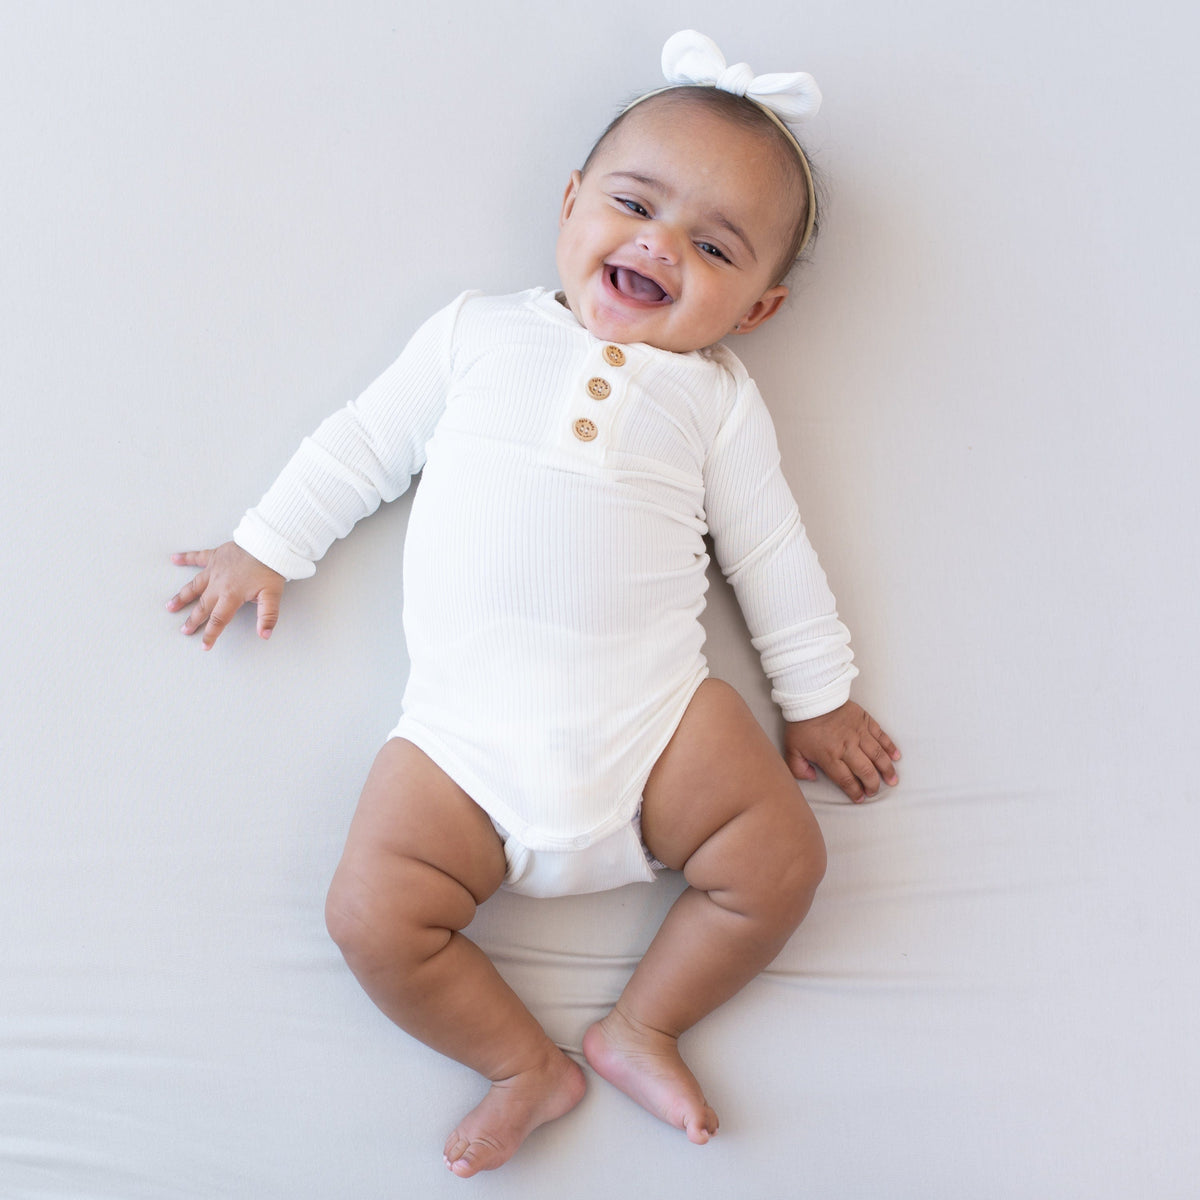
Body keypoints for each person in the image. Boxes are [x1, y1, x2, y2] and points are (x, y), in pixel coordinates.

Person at [166, 30, 900, 1178]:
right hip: (463, 741)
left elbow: (773, 555)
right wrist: (268, 546)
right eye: (634, 205)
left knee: (784, 863)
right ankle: (523, 1065)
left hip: (659, 726)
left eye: (714, 246)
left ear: (757, 309)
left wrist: (818, 701)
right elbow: (364, 445)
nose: (659, 245)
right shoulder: (476, 334)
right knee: (371, 918)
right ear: (570, 205)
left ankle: (642, 1024)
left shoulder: (715, 402)